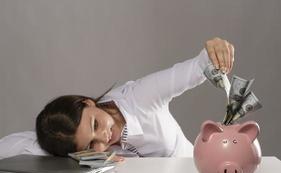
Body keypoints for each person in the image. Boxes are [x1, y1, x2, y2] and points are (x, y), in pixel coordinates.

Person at [36, 37, 234, 158]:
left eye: (95, 125)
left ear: (88, 102)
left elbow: (199, 66)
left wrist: (214, 52)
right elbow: (11, 146)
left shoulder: (141, 97)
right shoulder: (83, 150)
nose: (103, 139)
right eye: (90, 145)